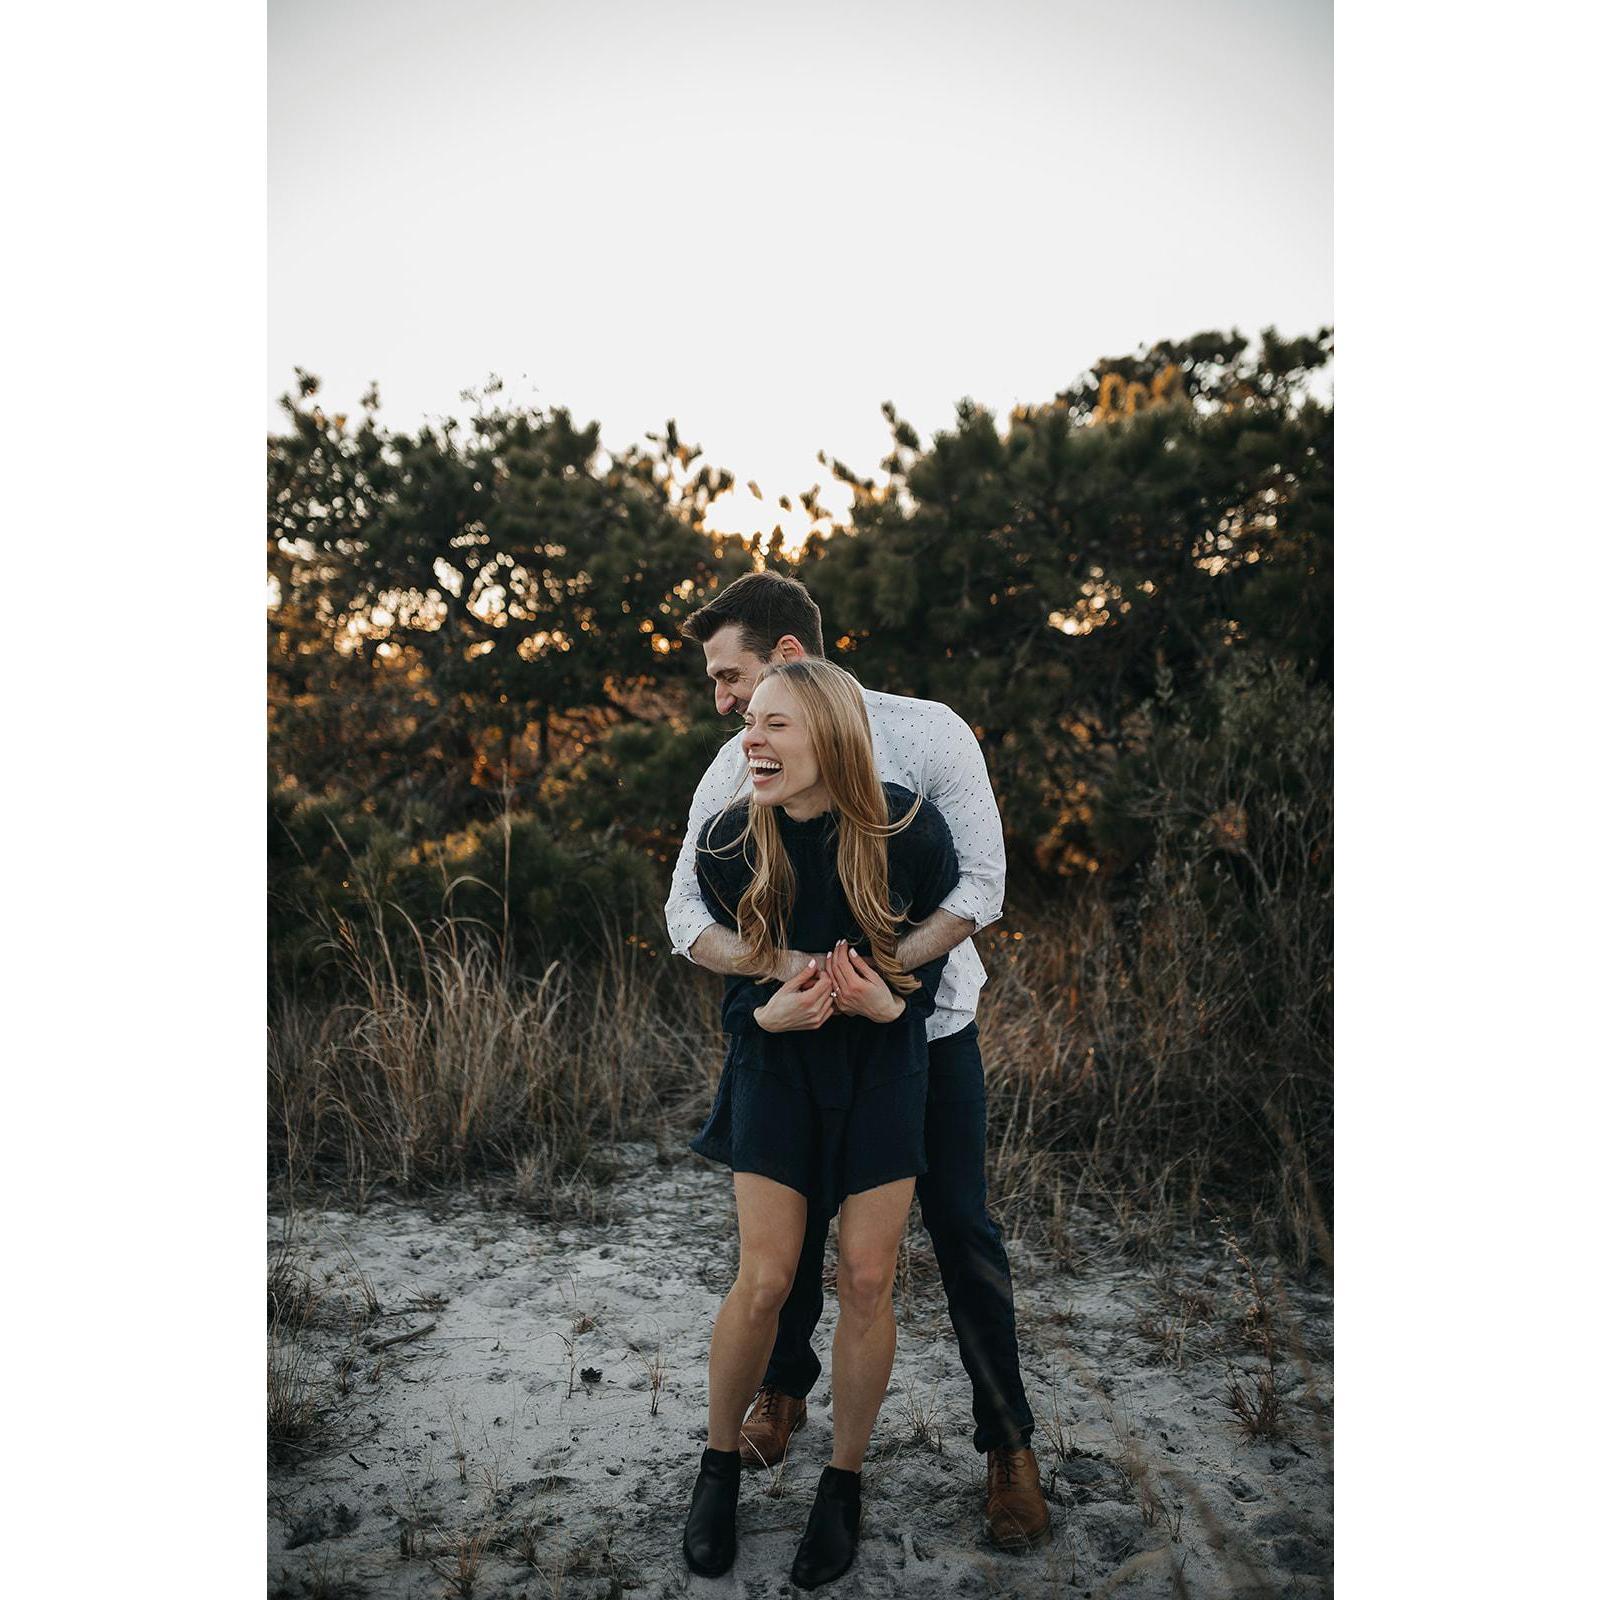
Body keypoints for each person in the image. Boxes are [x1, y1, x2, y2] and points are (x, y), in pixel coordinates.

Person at [665, 572, 1052, 1555]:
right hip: (794, 1039)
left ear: (790, 658)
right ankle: (781, 1393)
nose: (727, 707)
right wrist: (792, 976)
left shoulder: (930, 739)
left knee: (957, 1231)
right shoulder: (737, 769)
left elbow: (980, 885)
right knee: (781, 1256)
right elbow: (687, 911)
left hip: (921, 1035)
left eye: (732, 678)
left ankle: (1007, 1444)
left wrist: (880, 980)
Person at [679, 657, 959, 1587]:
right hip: (775, 1067)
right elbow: (734, 973)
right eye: (748, 723)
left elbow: (926, 960)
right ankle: (718, 1468)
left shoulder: (911, 832)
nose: (750, 740)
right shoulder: (730, 841)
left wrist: (891, 1004)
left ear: (831, 738)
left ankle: (842, 1485)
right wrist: (766, 1014)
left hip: (884, 1068)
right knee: (766, 1279)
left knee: (868, 1278)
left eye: (774, 725)